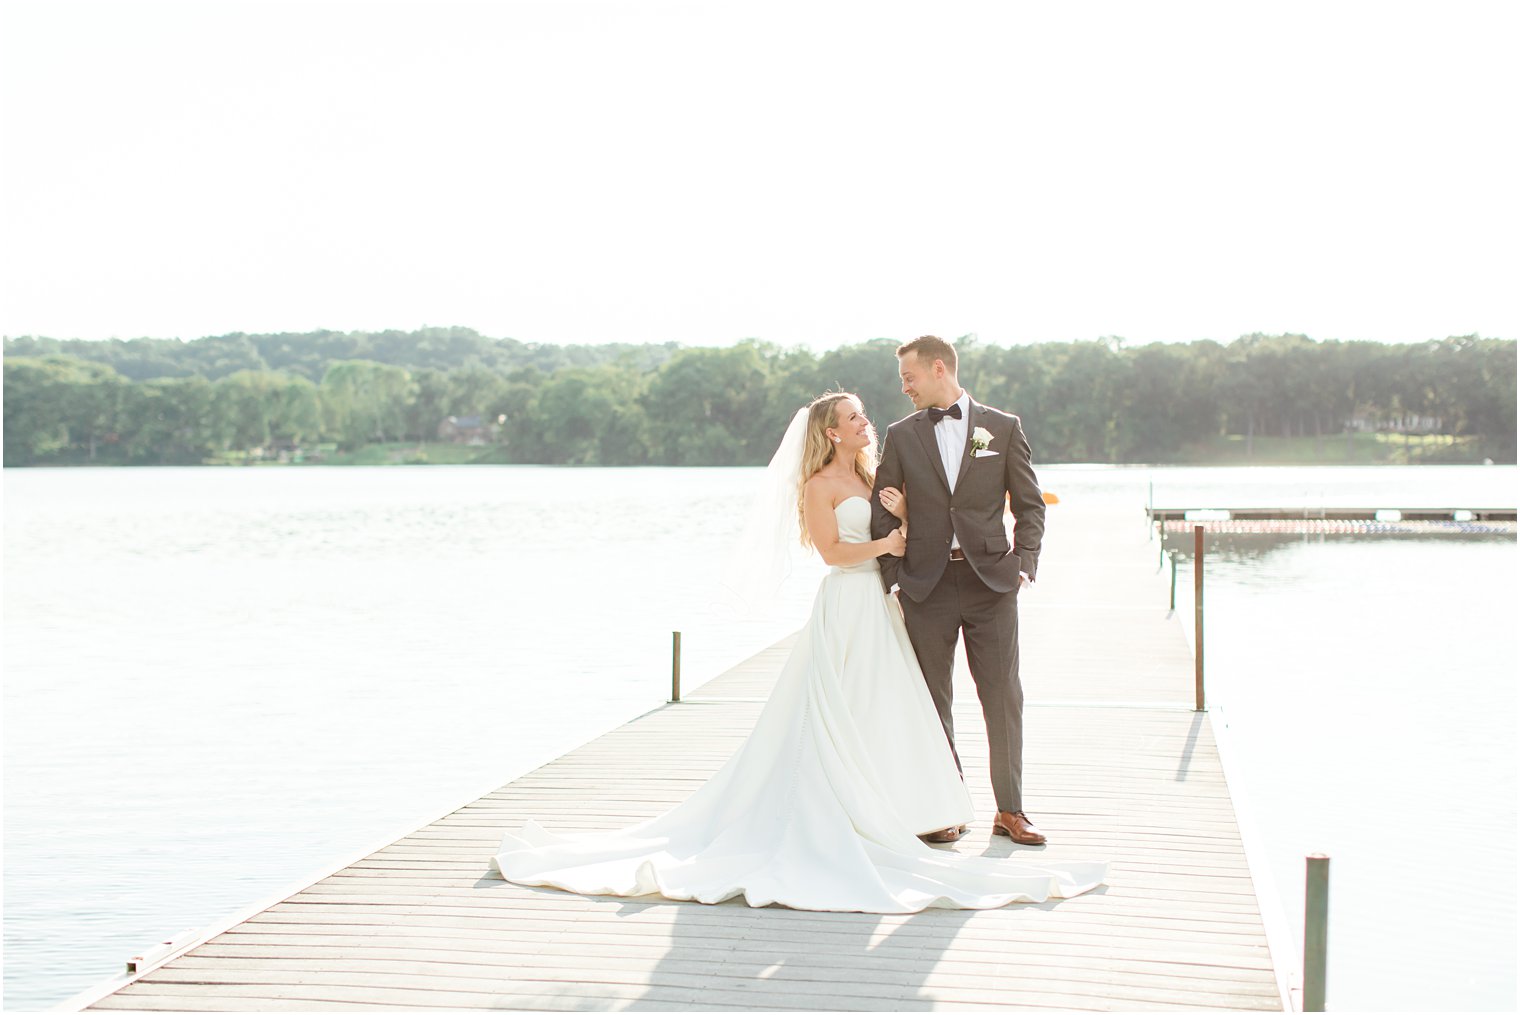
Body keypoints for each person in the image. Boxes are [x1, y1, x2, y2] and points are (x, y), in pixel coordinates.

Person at [492, 391, 1105, 913]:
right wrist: (890, 540)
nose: (869, 421)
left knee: (890, 707)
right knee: (848, 709)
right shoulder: (818, 484)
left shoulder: (872, 475)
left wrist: (912, 525)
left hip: (887, 605)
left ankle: (935, 804)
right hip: (846, 602)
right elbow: (834, 553)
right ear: (831, 430)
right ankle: (859, 809)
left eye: (867, 413)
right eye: (857, 416)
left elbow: (935, 517)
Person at [871, 335, 1047, 846]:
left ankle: (1010, 810)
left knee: (1002, 695)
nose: (903, 387)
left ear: (939, 368)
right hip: (926, 585)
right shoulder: (901, 436)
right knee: (932, 699)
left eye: (909, 377)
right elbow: (883, 509)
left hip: (992, 582)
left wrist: (1024, 564)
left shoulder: (1003, 427)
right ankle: (945, 806)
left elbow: (1030, 505)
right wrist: (894, 575)